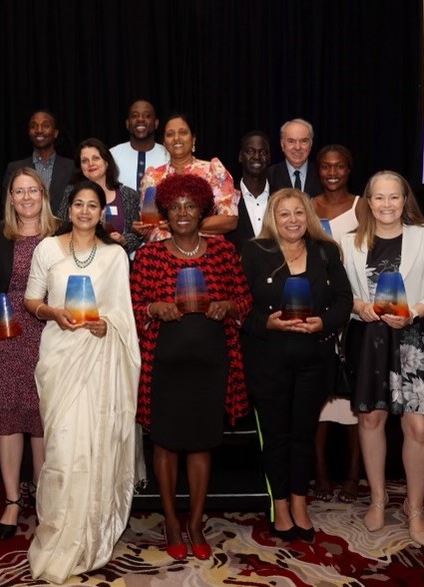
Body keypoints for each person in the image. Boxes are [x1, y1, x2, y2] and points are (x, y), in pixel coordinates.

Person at [23, 181, 140, 583]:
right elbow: (30, 300)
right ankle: (56, 531)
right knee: (61, 450)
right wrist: (52, 313)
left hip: (100, 362)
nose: (86, 211)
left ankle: (90, 536)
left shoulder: (115, 255)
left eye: (94, 205)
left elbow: (124, 313)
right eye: (79, 204)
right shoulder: (48, 249)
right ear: (67, 208)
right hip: (59, 358)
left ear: (102, 212)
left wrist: (107, 325)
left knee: (95, 448)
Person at [130, 174, 251, 561]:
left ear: (203, 211)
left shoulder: (223, 252)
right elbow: (131, 307)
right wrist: (152, 309)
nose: (183, 213)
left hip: (212, 366)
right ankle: (169, 519)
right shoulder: (149, 256)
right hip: (164, 366)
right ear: (164, 213)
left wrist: (228, 306)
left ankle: (196, 521)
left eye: (190, 206)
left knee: (201, 443)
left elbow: (244, 299)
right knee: (165, 444)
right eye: (175, 206)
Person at [341, 170, 424, 547]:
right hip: (370, 338)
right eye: (379, 197)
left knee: (419, 428)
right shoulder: (349, 243)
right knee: (371, 417)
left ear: (404, 200)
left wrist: (416, 311)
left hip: (413, 337)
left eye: (394, 197)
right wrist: (359, 305)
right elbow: (340, 293)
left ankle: (416, 506)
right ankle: (377, 498)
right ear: (368, 202)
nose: (387, 204)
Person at [240, 188, 352, 543]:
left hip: (313, 361)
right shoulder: (255, 252)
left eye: (299, 213)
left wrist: (325, 322)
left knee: (304, 435)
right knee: (277, 436)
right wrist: (266, 322)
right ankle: (282, 505)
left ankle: (301, 502)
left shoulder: (327, 251)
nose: (292, 220)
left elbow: (344, 299)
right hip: (267, 359)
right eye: (284, 213)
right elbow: (240, 305)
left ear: (309, 216)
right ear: (273, 219)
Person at [0, 168, 59, 540]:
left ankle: (42, 498)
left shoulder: (61, 233)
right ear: (9, 197)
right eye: (18, 191)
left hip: (51, 334)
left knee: (42, 419)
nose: (26, 197)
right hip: (7, 336)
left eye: (32, 190)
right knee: (8, 418)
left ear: (43, 194)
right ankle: (11, 500)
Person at [311, 144, 365, 504]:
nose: (332, 172)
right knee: (319, 402)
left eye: (339, 166)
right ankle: (320, 474)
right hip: (317, 307)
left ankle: (353, 475)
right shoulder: (309, 206)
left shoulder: (364, 205)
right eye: (326, 166)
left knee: (355, 400)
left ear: (349, 170)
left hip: (357, 309)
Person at [135, 113, 238, 242]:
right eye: (170, 134)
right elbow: (150, 227)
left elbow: (230, 221)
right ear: (164, 143)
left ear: (193, 139)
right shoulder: (152, 177)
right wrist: (142, 230)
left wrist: (181, 225)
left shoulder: (213, 171)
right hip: (162, 255)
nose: (176, 138)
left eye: (183, 132)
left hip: (206, 253)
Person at [56, 138, 142, 254]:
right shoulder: (71, 192)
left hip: (115, 263)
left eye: (96, 158)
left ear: (107, 162)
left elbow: (137, 236)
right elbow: (61, 229)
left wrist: (123, 240)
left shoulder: (129, 195)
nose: (90, 164)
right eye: (85, 161)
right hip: (78, 260)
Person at [4, 109, 75, 215]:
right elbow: (8, 208)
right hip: (24, 229)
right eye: (33, 126)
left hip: (62, 230)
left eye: (45, 125)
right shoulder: (15, 168)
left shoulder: (72, 167)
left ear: (55, 133)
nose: (39, 130)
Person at [227, 130, 272, 254]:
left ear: (269, 158)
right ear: (241, 156)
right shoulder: (227, 200)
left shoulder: (281, 198)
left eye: (262, 152)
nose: (257, 157)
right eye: (250, 151)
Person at [110, 99, 169, 191]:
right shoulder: (112, 155)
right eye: (134, 116)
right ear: (127, 123)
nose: (140, 119)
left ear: (156, 123)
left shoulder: (168, 155)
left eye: (147, 116)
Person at [268, 119, 322, 195]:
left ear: (311, 144)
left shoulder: (321, 174)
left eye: (304, 141)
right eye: (291, 141)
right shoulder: (269, 175)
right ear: (282, 145)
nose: (297, 147)